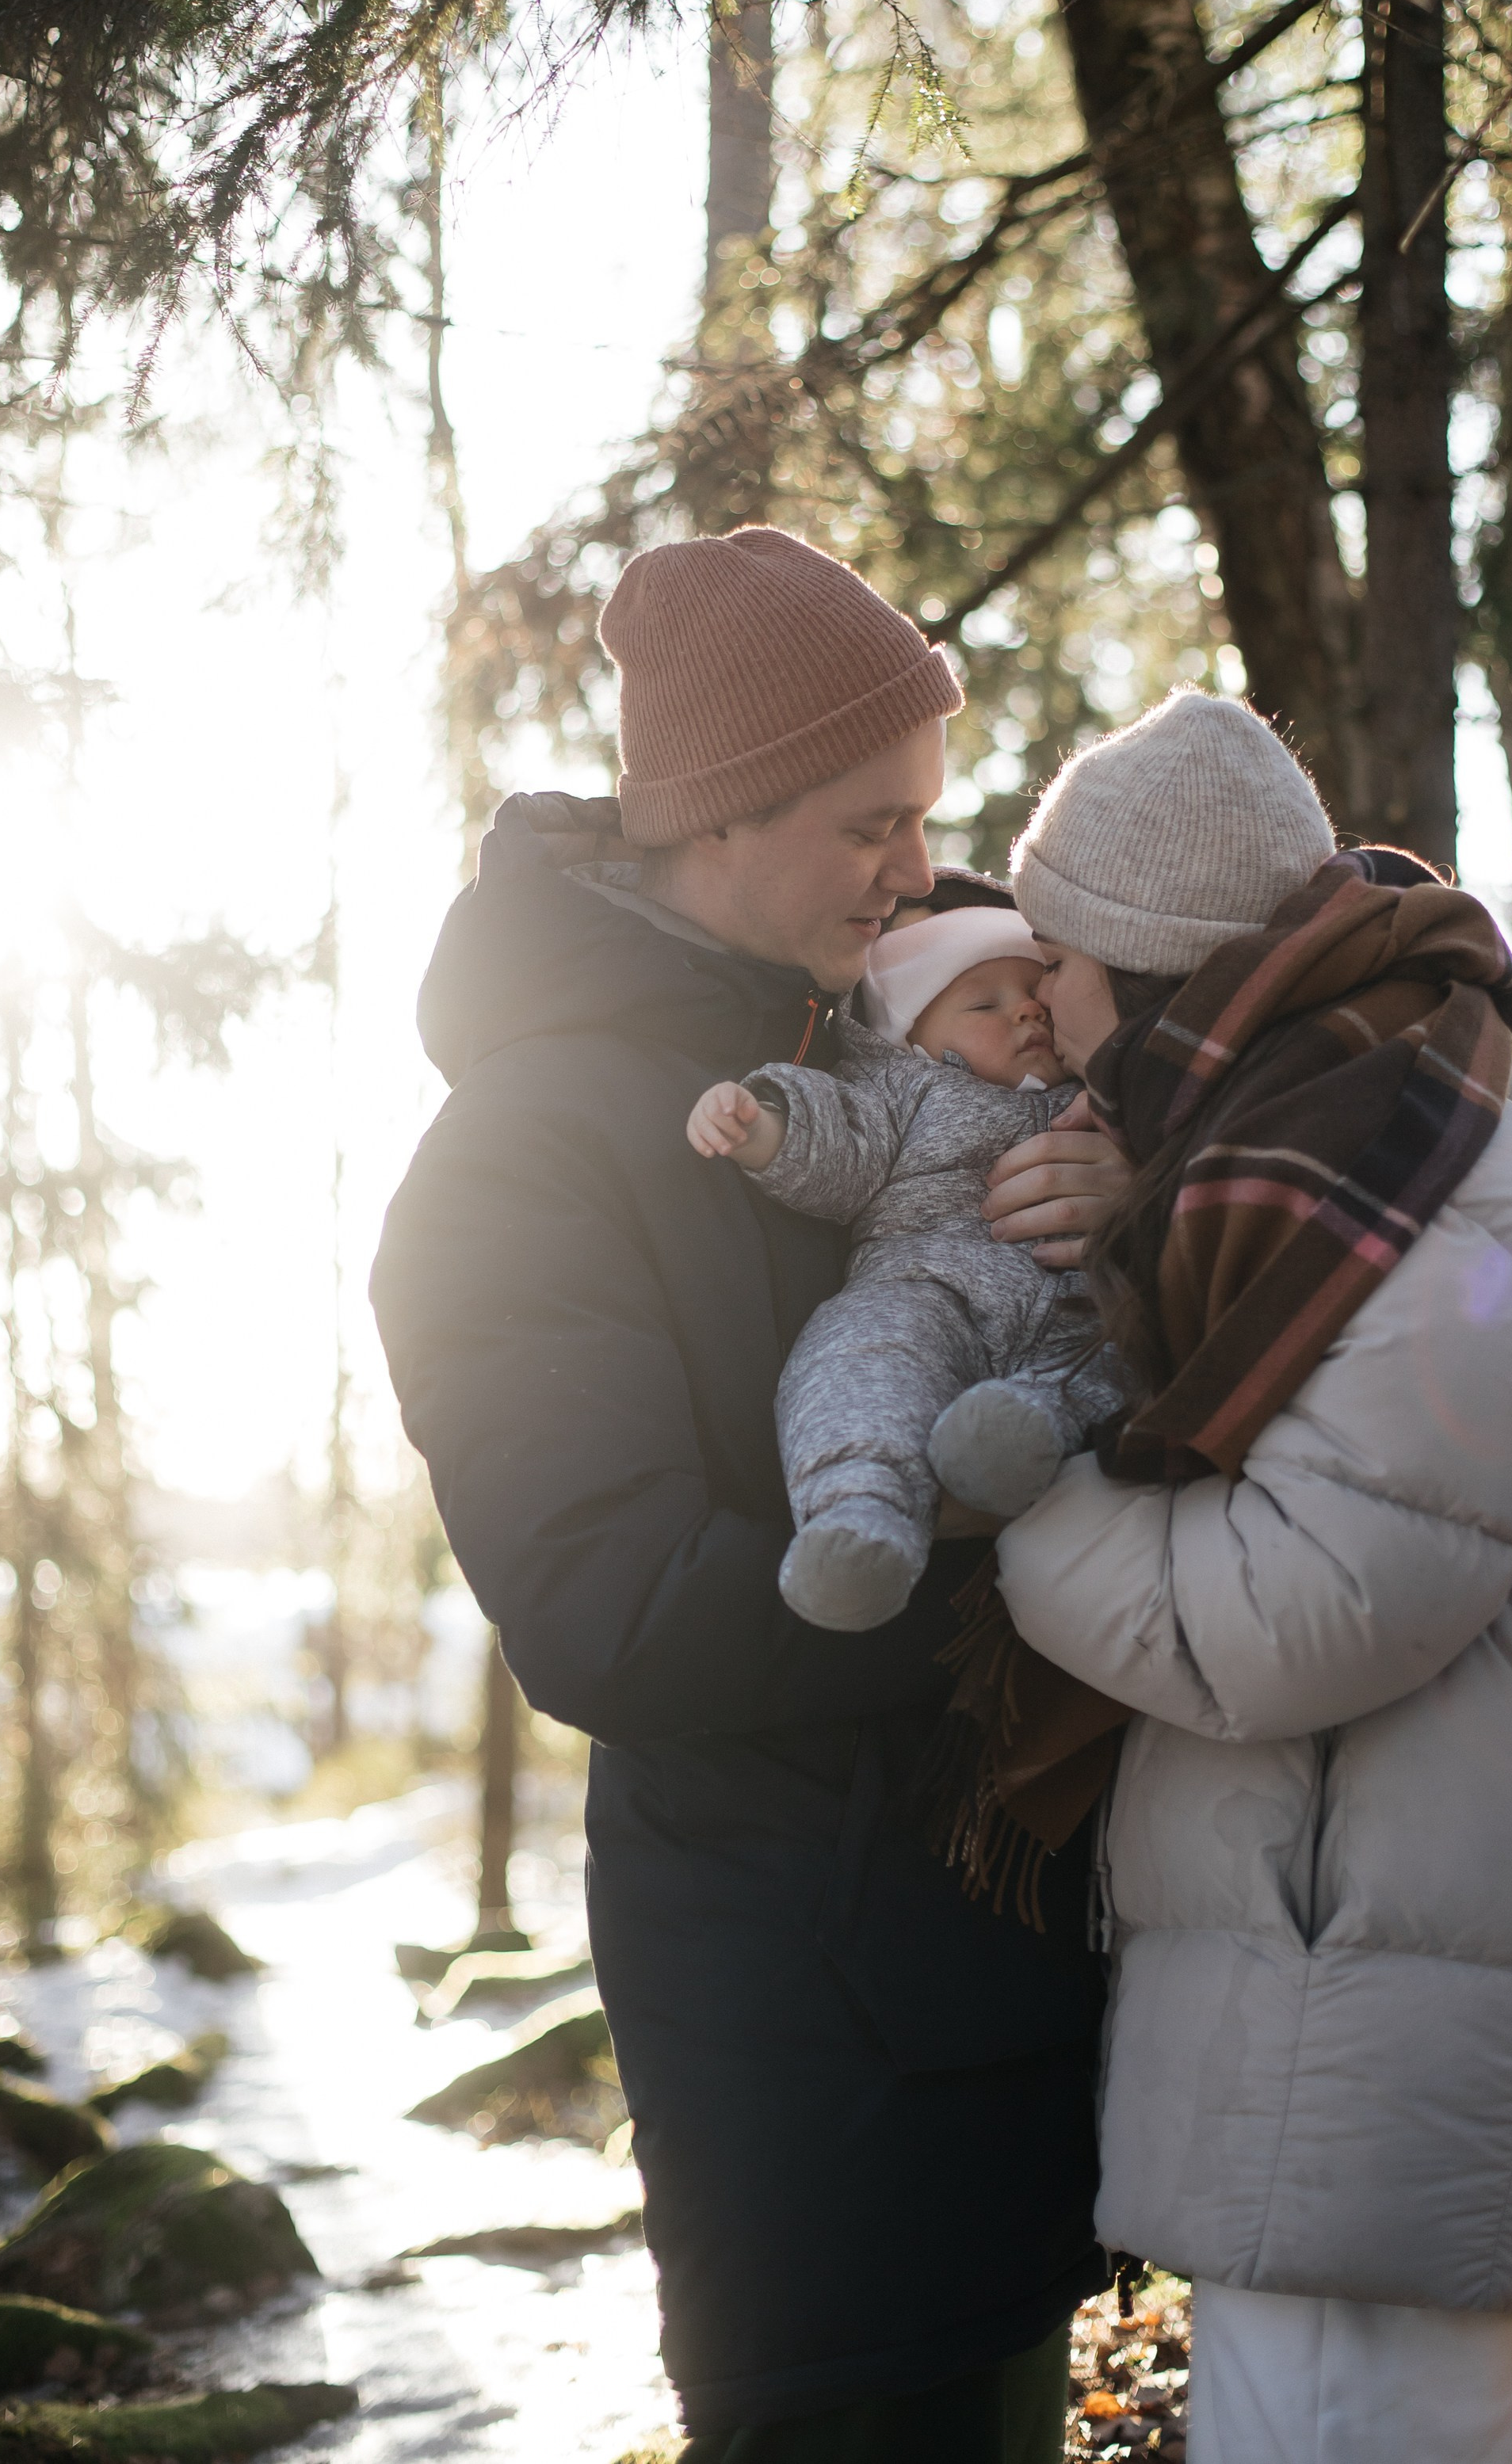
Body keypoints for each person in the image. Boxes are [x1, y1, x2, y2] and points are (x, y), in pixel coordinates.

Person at [370, 526, 1133, 2461]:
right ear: (714, 815)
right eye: (872, 824)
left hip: (1007, 1988)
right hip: (807, 2037)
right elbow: (612, 1611)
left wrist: (1109, 1218)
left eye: (923, 818)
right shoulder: (516, 1161)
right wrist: (1046, 1582)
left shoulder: (905, 1047)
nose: (916, 871)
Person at [972, 688, 1512, 2464]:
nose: (1032, 1004)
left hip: (1386, 2030)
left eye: (1055, 958)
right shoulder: (1321, 1154)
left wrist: (1009, 1493)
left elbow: (1295, 1612)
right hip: (1346, 1998)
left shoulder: (1424, 1198)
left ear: (1150, 969)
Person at [685, 887, 1123, 1632]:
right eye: (983, 1005)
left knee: (1116, 1356)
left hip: (1077, 1301)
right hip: (926, 1285)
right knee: (859, 1356)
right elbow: (841, 1148)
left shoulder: (1104, 1095)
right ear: (910, 1039)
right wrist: (761, 1127)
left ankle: (1018, 1435)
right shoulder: (904, 1088)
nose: (1025, 1011)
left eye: (1035, 992)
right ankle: (857, 1514)